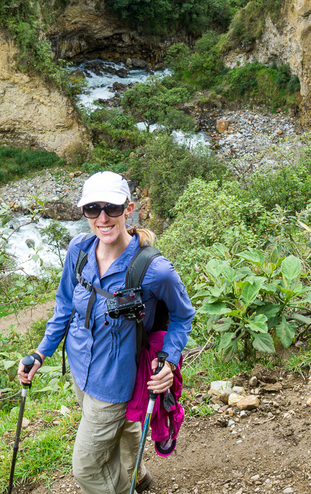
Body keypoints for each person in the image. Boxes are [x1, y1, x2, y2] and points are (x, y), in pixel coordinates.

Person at [19, 171, 195, 494]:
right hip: (81, 368)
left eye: (111, 208)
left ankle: (122, 484)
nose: (102, 218)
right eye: (92, 209)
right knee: (126, 429)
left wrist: (168, 361)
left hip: (114, 380)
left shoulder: (154, 270)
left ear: (128, 209)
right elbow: (64, 306)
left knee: (87, 469)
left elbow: (183, 316)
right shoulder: (79, 250)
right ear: (84, 212)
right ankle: (138, 477)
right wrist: (41, 353)